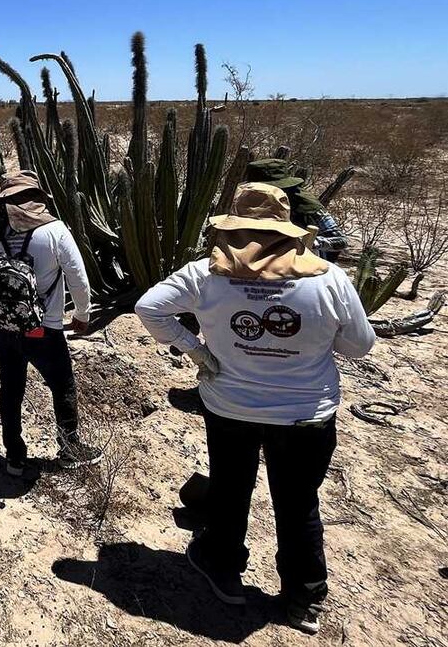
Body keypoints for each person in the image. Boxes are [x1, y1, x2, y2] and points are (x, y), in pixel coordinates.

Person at [134, 182, 375, 635]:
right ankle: (303, 598)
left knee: (230, 488)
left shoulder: (204, 275)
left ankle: (223, 568)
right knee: (299, 501)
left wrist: (196, 349)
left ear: (232, 226)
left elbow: (149, 308)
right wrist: (313, 345)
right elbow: (360, 346)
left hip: (230, 406)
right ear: (289, 230)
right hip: (307, 412)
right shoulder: (327, 278)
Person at [0, 170, 97, 477]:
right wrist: (82, 314)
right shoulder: (54, 231)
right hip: (44, 328)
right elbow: (78, 277)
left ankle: (14, 456)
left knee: (11, 386)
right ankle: (69, 449)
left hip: (2, 327)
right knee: (61, 384)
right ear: (36, 200)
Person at [246, 159, 347, 262]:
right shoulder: (245, 202)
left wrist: (309, 242)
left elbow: (341, 241)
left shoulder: (306, 204)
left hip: (304, 263)